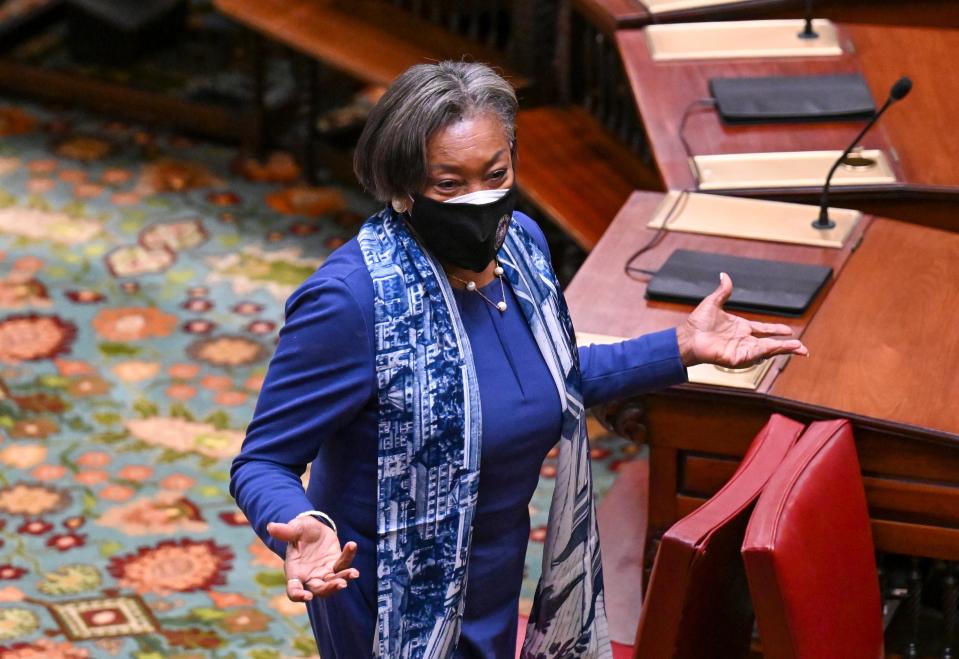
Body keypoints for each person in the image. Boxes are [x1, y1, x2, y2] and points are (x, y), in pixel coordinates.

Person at [230, 61, 807, 659]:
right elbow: (262, 461)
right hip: (381, 590)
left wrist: (681, 347)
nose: (480, 202)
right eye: (449, 185)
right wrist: (300, 528)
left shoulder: (523, 246)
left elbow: (547, 377)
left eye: (495, 174)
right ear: (402, 188)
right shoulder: (351, 301)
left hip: (496, 576)